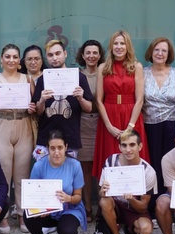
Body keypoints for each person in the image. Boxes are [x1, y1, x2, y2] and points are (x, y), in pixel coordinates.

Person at [0, 44, 36, 234]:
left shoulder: (27, 79)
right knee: (2, 173)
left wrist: (32, 107)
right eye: (7, 56)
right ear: (1, 60)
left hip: (23, 124)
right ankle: (2, 215)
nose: (11, 60)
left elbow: (36, 107)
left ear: (19, 60)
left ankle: (22, 214)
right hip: (1, 124)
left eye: (15, 57)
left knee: (22, 173)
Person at [93, 30, 149, 179]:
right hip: (109, 116)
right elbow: (99, 100)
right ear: (111, 47)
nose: (119, 47)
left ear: (127, 46)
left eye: (122, 43)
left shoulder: (136, 67)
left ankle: (134, 198)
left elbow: (140, 99)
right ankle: (108, 199)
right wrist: (109, 126)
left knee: (131, 152)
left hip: (131, 116)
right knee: (110, 154)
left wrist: (130, 127)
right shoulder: (102, 68)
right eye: (116, 43)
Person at [23, 131, 87, 234]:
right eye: (52, 148)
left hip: (69, 209)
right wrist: (41, 207)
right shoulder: (39, 166)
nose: (56, 152)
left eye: (60, 148)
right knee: (27, 214)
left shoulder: (75, 165)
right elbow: (32, 195)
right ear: (47, 149)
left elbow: (78, 196)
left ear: (66, 147)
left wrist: (69, 198)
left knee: (68, 232)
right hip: (47, 211)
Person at [98, 129, 157, 234]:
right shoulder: (110, 161)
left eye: (132, 145)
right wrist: (102, 191)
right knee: (104, 201)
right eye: (124, 145)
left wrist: (131, 200)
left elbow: (143, 207)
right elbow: (101, 193)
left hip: (134, 208)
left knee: (146, 230)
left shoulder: (148, 171)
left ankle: (130, 230)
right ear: (119, 146)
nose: (128, 149)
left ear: (140, 146)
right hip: (115, 205)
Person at [32, 39, 93, 161]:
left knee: (67, 175)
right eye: (50, 55)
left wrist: (81, 98)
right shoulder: (42, 79)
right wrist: (42, 100)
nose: (54, 58)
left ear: (65, 53)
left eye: (57, 53)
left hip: (70, 137)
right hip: (45, 137)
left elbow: (89, 108)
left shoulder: (79, 77)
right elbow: (38, 112)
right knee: (45, 177)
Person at [142, 37, 175, 198]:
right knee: (152, 163)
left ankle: (171, 202)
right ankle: (152, 203)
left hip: (170, 125)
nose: (160, 53)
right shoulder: (142, 73)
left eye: (164, 50)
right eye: (156, 50)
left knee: (170, 164)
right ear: (151, 52)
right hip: (149, 125)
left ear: (169, 54)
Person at [76, 39, 104, 219]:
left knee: (102, 168)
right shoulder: (77, 75)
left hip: (103, 123)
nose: (91, 56)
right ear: (82, 55)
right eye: (88, 53)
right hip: (82, 124)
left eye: (95, 53)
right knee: (85, 168)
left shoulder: (105, 73)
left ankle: (103, 207)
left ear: (100, 55)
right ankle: (87, 207)